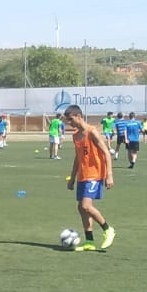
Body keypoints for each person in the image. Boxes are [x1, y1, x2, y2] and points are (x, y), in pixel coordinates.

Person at [63, 105, 116, 251]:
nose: (69, 123)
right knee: (81, 208)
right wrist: (72, 178)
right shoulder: (75, 135)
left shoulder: (92, 132)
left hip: (95, 174)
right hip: (83, 175)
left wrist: (109, 175)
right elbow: (77, 158)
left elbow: (106, 153)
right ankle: (89, 242)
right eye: (67, 120)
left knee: (86, 206)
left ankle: (108, 229)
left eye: (71, 119)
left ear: (79, 116)